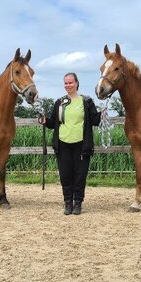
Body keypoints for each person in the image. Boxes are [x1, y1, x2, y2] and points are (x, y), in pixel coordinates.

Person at [39, 72, 102, 215]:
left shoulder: (86, 102)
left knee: (80, 175)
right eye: (66, 83)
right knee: (65, 175)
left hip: (81, 144)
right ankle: (68, 202)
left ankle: (78, 203)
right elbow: (53, 123)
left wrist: (102, 113)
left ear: (77, 83)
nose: (68, 85)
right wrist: (45, 120)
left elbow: (95, 121)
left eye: (71, 82)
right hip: (62, 144)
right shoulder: (60, 102)